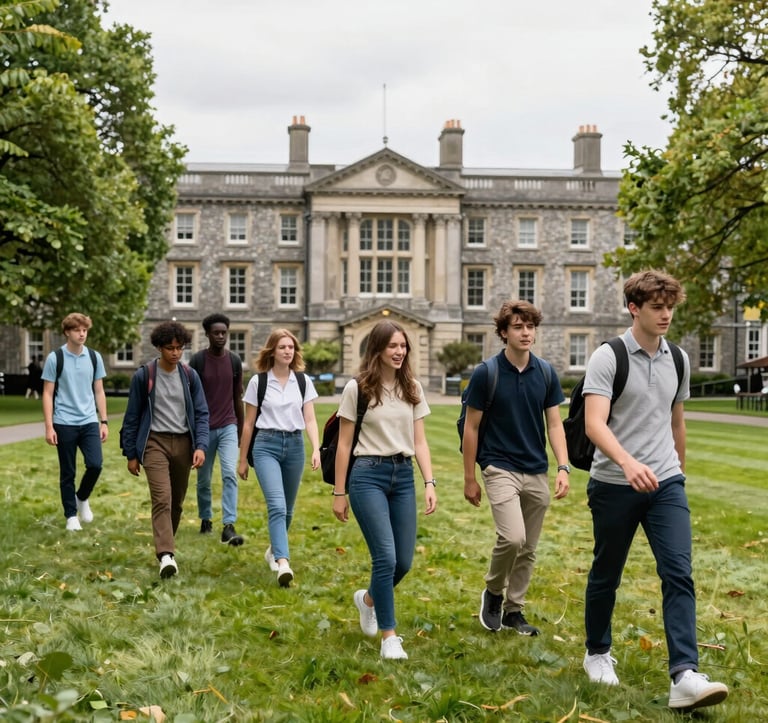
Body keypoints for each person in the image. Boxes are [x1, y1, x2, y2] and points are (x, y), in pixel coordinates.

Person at [581, 270, 728, 710]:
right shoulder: (608, 357)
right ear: (634, 308)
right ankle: (597, 652)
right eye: (657, 307)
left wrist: (676, 473)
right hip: (613, 483)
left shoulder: (678, 358)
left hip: (666, 484)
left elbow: (675, 420)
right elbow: (593, 423)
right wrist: (627, 463)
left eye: (670, 307)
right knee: (607, 573)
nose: (666, 315)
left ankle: (684, 674)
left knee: (678, 573)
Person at [462, 300, 570, 635]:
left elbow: (554, 424)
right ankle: (494, 592)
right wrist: (470, 477)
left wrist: (563, 467)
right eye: (518, 327)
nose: (526, 333)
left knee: (528, 549)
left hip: (536, 468)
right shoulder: (486, 373)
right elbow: (471, 427)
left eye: (530, 327)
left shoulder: (546, 372)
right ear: (504, 332)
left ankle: (513, 611)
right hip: (499, 466)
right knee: (512, 538)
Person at [332, 320, 437, 660]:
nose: (399, 352)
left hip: (403, 476)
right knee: (385, 557)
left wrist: (429, 482)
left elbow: (420, 441)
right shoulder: (357, 389)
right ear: (376, 349)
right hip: (367, 476)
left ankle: (368, 601)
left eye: (403, 346)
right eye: (392, 346)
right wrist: (339, 492)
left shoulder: (413, 389)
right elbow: (344, 445)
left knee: (403, 562)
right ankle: (390, 636)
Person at [120, 321, 209, 579]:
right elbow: (132, 417)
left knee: (177, 503)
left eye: (180, 348)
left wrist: (201, 446)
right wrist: (131, 454)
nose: (175, 353)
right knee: (162, 498)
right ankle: (166, 555)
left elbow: (202, 413)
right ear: (159, 347)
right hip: (154, 443)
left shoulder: (190, 376)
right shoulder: (144, 376)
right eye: (170, 348)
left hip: (184, 443)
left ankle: (166, 546)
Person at [237, 329, 320, 587]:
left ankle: (273, 549)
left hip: (295, 446)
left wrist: (316, 448)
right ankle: (283, 562)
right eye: (283, 347)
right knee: (277, 505)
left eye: (291, 347)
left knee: (289, 509)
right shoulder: (258, 382)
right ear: (272, 351)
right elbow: (249, 424)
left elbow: (310, 418)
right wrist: (242, 460)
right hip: (266, 446)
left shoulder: (303, 382)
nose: (288, 351)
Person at [42, 313, 109, 531]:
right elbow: (47, 393)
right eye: (77, 330)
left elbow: (99, 391)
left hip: (89, 420)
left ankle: (82, 497)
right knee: (68, 472)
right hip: (64, 422)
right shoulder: (55, 358)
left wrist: (104, 421)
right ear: (67, 332)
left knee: (95, 464)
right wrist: (49, 426)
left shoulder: (94, 357)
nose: (82, 334)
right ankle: (71, 515)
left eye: (85, 330)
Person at [190, 314, 245, 546]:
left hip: (228, 426)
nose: (221, 336)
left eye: (224, 332)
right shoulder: (197, 361)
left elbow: (237, 397)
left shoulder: (234, 361)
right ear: (207, 334)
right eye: (216, 332)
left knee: (229, 474)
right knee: (203, 479)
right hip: (203, 430)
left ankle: (229, 525)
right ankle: (205, 518)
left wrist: (242, 432)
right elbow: (190, 399)